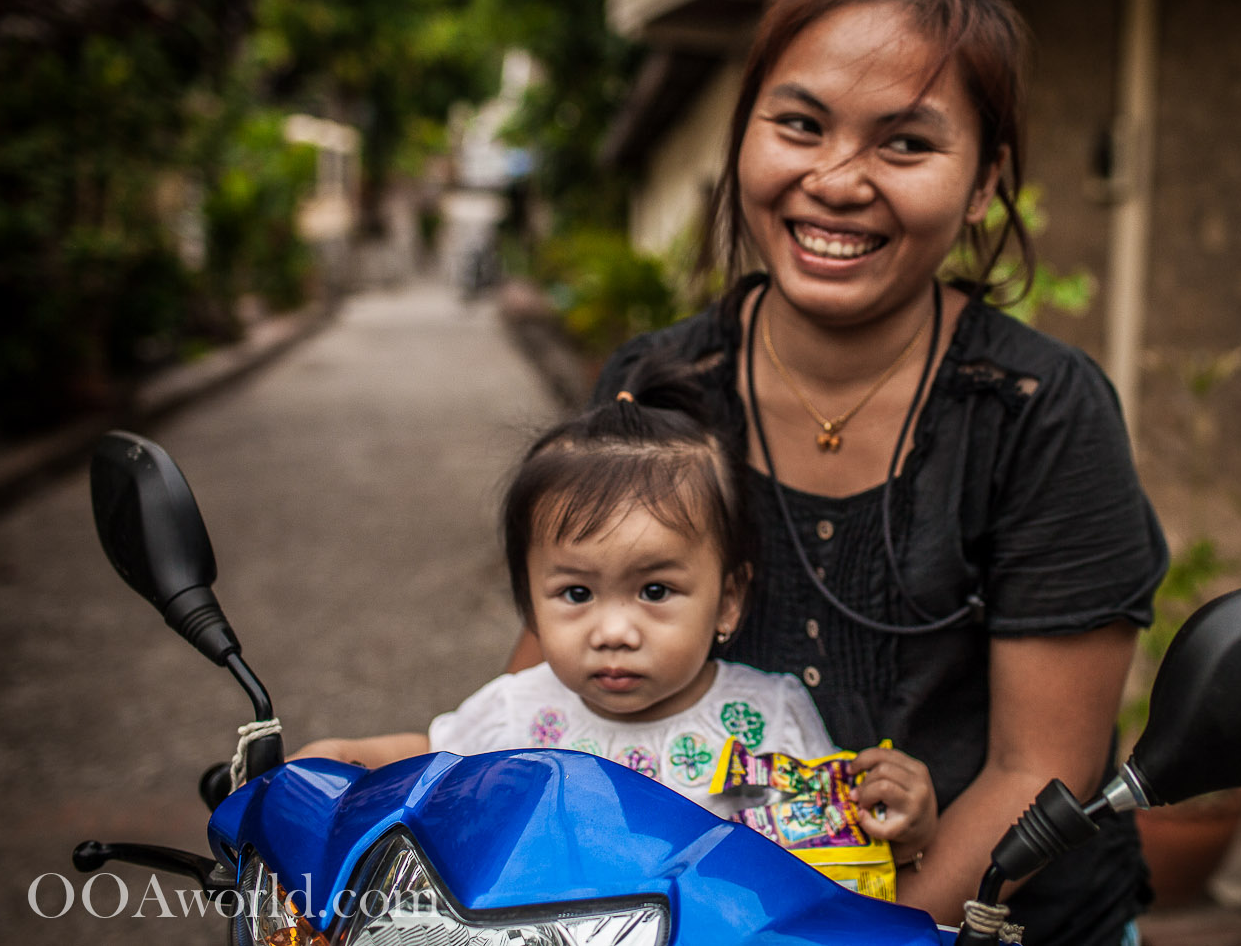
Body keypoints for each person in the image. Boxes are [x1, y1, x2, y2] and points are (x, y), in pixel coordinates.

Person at [509, 0, 1168, 946]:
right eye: (801, 125)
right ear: (745, 133)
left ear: (986, 180)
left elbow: (1036, 767)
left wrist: (852, 936)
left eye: (905, 142)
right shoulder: (660, 389)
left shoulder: (1037, 414)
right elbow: (547, 688)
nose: (836, 180)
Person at [292, 360, 938, 858]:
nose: (614, 631)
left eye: (655, 591)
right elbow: (433, 759)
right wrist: (343, 757)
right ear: (530, 603)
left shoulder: (770, 717)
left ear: (728, 599)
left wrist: (901, 822)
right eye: (576, 594)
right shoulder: (519, 710)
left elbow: (839, 844)